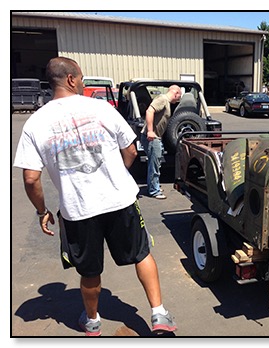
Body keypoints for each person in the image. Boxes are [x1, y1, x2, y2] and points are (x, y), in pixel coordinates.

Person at [13, 57, 177, 336]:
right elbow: (131, 149)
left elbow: (30, 178)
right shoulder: (101, 108)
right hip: (120, 200)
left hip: (78, 209)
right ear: (71, 79)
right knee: (141, 253)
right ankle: (159, 314)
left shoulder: (35, 122)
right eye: (82, 77)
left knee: (89, 271)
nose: (83, 81)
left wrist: (42, 211)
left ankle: (92, 321)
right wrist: (117, 176)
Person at [140, 85, 182, 199]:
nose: (179, 99)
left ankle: (154, 186)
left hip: (156, 138)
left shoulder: (166, 102)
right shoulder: (162, 99)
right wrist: (150, 131)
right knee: (154, 164)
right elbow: (149, 111)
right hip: (152, 138)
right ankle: (154, 191)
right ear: (176, 93)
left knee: (155, 163)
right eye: (179, 97)